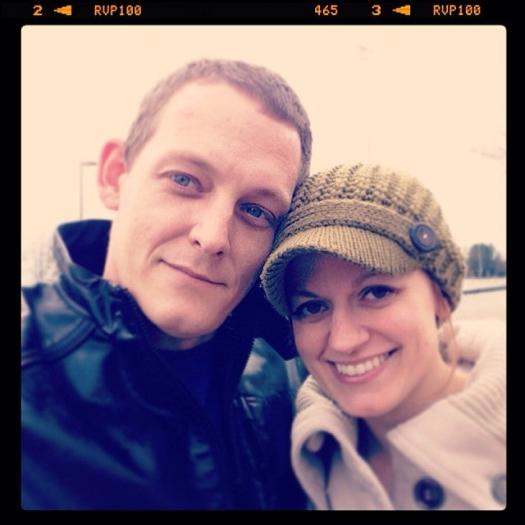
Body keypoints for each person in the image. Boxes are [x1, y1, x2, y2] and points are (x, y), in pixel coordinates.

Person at [21, 59, 312, 510]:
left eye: (256, 211)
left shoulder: (286, 383)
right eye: (185, 180)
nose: (213, 236)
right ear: (114, 176)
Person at [261, 163, 506, 510]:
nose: (343, 340)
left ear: (441, 296)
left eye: (376, 292)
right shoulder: (310, 452)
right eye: (312, 307)